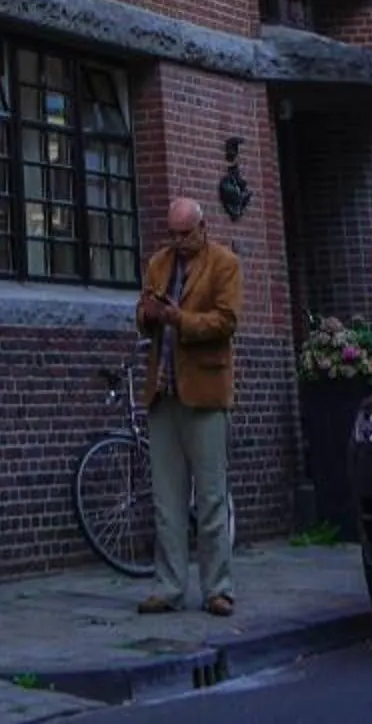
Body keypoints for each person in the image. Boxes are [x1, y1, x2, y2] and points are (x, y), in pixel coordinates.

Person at [134, 193, 240, 615]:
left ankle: (218, 588)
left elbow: (227, 321)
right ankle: (169, 586)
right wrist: (149, 314)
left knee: (211, 495)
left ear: (202, 227)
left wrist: (181, 320)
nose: (178, 241)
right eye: (172, 234)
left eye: (185, 233)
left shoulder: (224, 263)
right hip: (163, 390)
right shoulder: (158, 263)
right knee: (166, 497)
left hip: (205, 392)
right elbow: (142, 313)